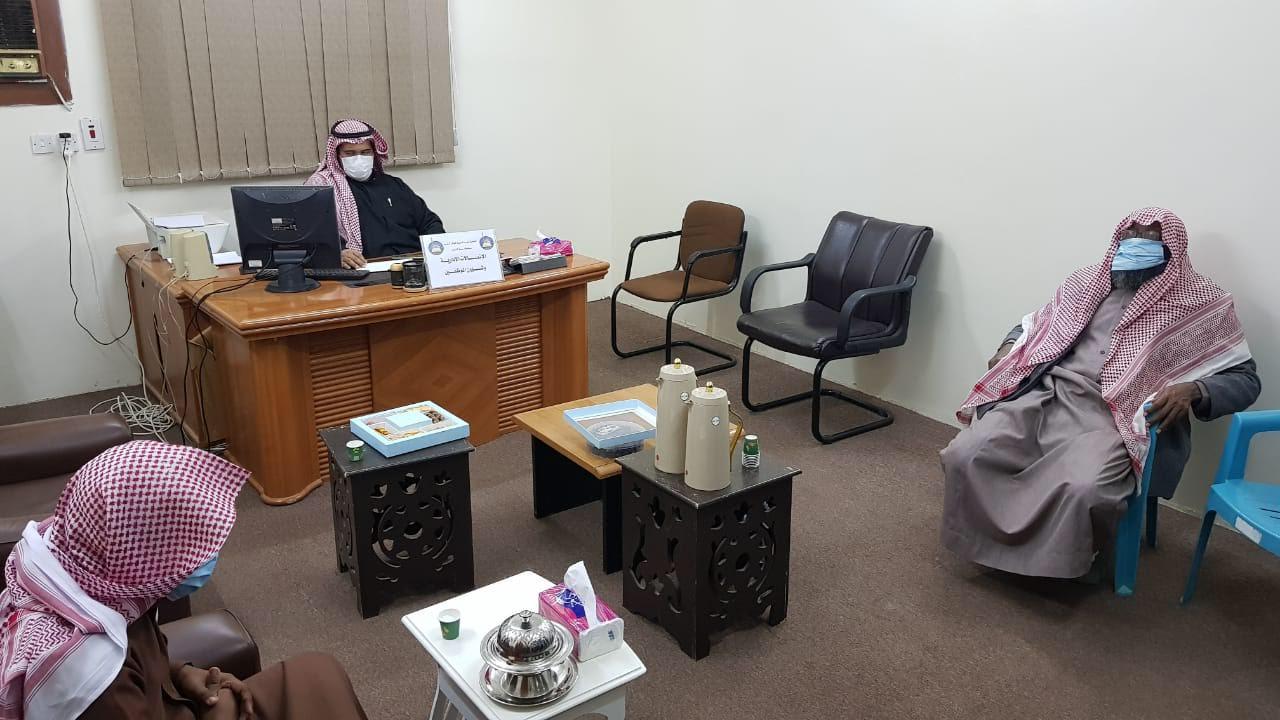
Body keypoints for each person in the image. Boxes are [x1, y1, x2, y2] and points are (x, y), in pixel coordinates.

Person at [941, 207, 1260, 580]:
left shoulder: (1201, 302)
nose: (1137, 242)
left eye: (1150, 236)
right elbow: (1034, 324)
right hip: (1046, 393)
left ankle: (1058, 563)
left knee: (1083, 486)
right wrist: (1009, 347)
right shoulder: (1086, 282)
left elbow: (1245, 379)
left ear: (1172, 248)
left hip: (1119, 417)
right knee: (968, 454)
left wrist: (1195, 389)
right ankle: (981, 542)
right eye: (1131, 233)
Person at [0, 441, 369, 720]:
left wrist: (179, 673)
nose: (205, 560)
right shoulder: (89, 680)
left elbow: (137, 659)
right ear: (143, 557)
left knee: (314, 674)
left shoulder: (87, 566)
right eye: (190, 551)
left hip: (169, 700)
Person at [306, 118, 445, 268]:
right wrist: (336, 254)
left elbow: (430, 222)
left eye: (365, 152)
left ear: (374, 153)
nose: (359, 158)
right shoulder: (325, 189)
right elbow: (311, 239)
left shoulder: (394, 185)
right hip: (367, 269)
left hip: (413, 264)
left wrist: (435, 253)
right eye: (350, 153)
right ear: (336, 155)